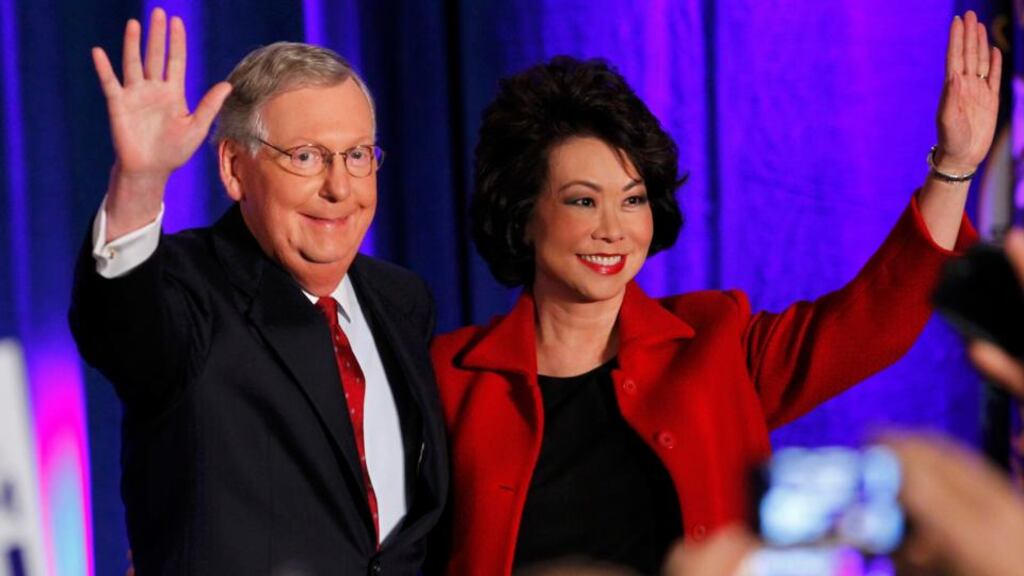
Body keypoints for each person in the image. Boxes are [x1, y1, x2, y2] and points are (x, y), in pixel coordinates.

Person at [429, 10, 999, 575]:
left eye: (632, 199)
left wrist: (955, 165)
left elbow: (871, 323)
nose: (614, 227)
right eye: (582, 200)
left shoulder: (716, 339)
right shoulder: (449, 378)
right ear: (523, 216)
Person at [68, 9, 447, 574]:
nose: (339, 187)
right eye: (305, 157)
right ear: (234, 169)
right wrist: (140, 183)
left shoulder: (402, 300)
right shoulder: (187, 290)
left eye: (357, 155)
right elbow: (122, 325)